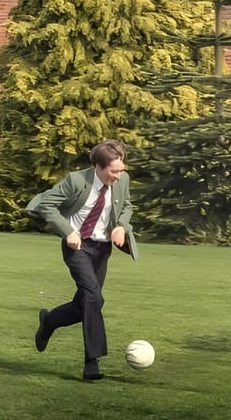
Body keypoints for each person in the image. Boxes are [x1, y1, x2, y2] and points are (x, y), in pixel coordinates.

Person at [26, 139, 138, 381]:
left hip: (102, 248)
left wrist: (121, 225)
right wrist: (68, 232)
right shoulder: (76, 181)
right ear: (98, 166)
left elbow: (126, 206)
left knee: (87, 302)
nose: (119, 176)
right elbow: (47, 205)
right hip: (77, 247)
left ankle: (49, 321)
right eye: (114, 171)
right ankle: (92, 363)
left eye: (121, 170)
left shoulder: (122, 180)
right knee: (93, 296)